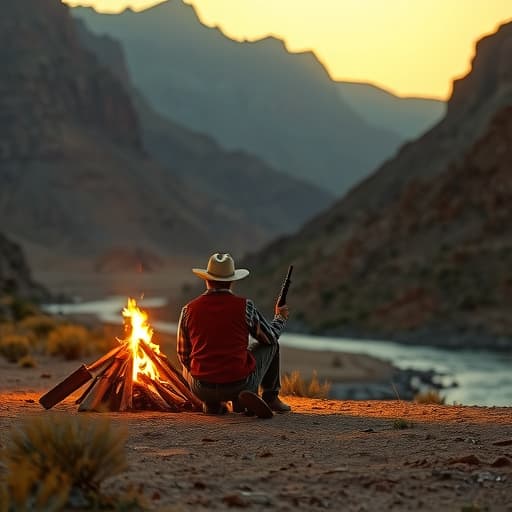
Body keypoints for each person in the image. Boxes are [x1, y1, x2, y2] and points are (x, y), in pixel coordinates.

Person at [177, 252, 291, 418]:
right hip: (238, 384)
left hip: (201, 388)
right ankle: (270, 397)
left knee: (190, 362)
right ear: (232, 281)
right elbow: (270, 338)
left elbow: (183, 355)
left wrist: (204, 374)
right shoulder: (245, 307)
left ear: (206, 279)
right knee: (272, 345)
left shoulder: (188, 310)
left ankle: (212, 402)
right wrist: (280, 317)